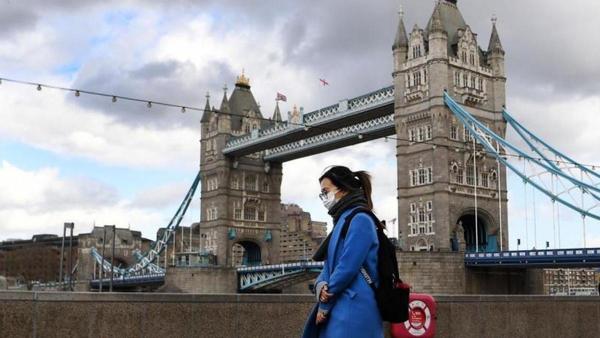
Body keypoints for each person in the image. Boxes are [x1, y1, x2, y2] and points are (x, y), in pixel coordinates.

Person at [302, 165, 383, 338]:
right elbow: (329, 265)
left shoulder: (361, 219)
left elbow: (347, 267)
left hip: (354, 307)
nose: (324, 198)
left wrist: (324, 304)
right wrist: (321, 285)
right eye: (321, 194)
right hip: (341, 304)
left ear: (343, 189)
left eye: (326, 191)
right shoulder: (342, 221)